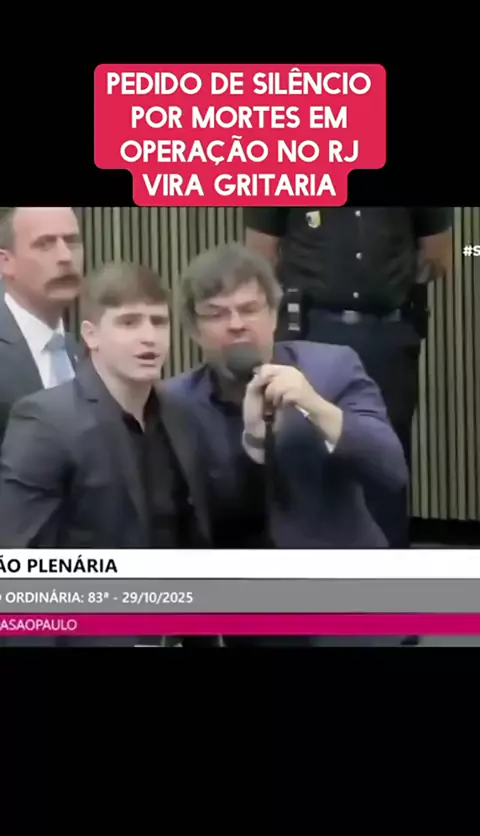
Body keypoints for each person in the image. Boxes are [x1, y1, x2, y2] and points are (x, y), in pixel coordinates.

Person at [163, 243, 409, 647]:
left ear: (274, 315)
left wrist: (315, 407)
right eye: (217, 314)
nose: (237, 324)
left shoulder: (332, 368)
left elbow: (391, 470)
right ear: (193, 330)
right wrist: (253, 441)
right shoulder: (175, 404)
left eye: (250, 308)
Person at [0, 261, 211, 647]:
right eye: (129, 323)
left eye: (158, 322)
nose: (148, 337)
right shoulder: (45, 421)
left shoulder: (182, 415)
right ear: (91, 334)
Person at [244, 206, 453, 549]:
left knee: (385, 457)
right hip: (308, 331)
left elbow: (438, 257)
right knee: (300, 451)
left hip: (386, 334)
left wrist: (383, 289)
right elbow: (259, 258)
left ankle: (386, 571)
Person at [0, 207, 84, 443]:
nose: (65, 256)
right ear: (6, 262)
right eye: (45, 244)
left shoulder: (85, 352)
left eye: (72, 242)